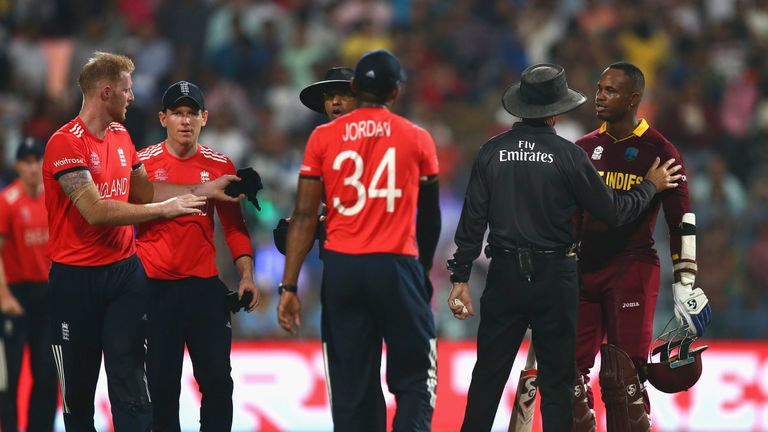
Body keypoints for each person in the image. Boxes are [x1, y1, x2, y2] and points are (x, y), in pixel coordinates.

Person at [445, 63, 682, 432]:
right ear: (555, 111)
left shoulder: (492, 151)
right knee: (557, 384)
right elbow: (614, 212)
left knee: (488, 377)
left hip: (504, 276)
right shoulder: (570, 156)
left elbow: (472, 221)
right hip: (555, 278)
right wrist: (650, 186)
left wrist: (459, 278)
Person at [42, 51, 241, 431]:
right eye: (126, 89)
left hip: (124, 276)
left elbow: (147, 192)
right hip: (75, 280)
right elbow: (96, 211)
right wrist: (168, 210)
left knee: (132, 386)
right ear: (105, 92)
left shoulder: (121, 136)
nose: (132, 96)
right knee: (78, 397)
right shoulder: (65, 143)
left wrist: (205, 190)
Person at [277, 49, 441, 431]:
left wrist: (289, 285)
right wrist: (422, 271)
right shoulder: (417, 138)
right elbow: (429, 216)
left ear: (354, 87)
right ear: (396, 93)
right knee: (416, 377)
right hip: (395, 265)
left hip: (342, 269)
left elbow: (303, 215)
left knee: (351, 389)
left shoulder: (322, 138)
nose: (334, 102)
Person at [572, 62, 712, 431]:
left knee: (624, 377)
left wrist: (686, 279)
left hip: (631, 268)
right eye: (599, 89)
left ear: (633, 99)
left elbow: (681, 219)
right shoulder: (582, 149)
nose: (600, 97)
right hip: (581, 270)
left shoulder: (660, 150)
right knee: (566, 376)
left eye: (611, 91)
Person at [137, 81, 260, 432]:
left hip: (204, 290)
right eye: (177, 112)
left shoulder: (221, 165)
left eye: (192, 113)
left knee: (219, 385)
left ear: (205, 118)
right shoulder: (140, 164)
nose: (185, 120)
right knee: (161, 391)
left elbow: (235, 228)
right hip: (154, 291)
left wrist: (247, 275)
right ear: (163, 118)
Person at [0, 137, 57, 432]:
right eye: (28, 162)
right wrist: (4, 294)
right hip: (15, 294)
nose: (34, 168)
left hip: (46, 296)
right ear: (19, 165)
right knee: (9, 375)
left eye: (38, 161)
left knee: (46, 374)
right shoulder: (8, 201)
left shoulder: (51, 198)